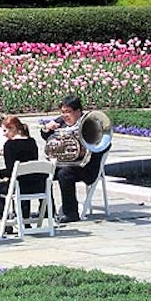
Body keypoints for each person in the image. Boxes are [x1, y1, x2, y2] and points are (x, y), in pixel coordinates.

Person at [40, 94, 111, 223]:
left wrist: (85, 149)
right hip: (64, 163)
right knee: (42, 173)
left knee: (64, 174)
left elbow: (104, 144)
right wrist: (46, 129)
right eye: (62, 112)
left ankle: (71, 213)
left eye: (68, 112)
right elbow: (47, 138)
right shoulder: (60, 122)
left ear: (78, 111)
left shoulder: (90, 123)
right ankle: (46, 211)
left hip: (85, 167)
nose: (64, 115)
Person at [0, 115, 45, 234]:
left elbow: (11, 170)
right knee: (21, 181)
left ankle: (6, 223)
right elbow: (29, 165)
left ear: (13, 128)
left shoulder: (9, 145)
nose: (4, 134)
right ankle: (25, 222)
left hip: (20, 185)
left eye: (5, 130)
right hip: (36, 185)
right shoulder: (32, 141)